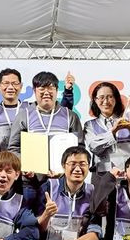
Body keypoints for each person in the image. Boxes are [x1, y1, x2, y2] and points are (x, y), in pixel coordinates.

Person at [8, 71, 85, 210]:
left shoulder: (70, 116)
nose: (46, 92)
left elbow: (80, 148)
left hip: (61, 181)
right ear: (34, 91)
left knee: (58, 219)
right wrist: (25, 166)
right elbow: (13, 147)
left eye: (50, 88)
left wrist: (65, 169)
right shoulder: (24, 115)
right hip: (30, 182)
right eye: (42, 88)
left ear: (56, 90)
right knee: (30, 219)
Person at [0, 68, 76, 150]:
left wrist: (68, 91)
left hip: (28, 156)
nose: (10, 87)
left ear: (21, 86)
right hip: (1, 158)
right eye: (6, 83)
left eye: (15, 83)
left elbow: (59, 112)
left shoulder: (30, 109)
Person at [84, 81, 130, 187]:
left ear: (116, 99)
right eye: (101, 97)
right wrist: (113, 132)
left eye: (110, 97)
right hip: (102, 177)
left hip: (127, 176)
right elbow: (94, 148)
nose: (106, 101)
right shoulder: (90, 125)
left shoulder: (128, 120)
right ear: (95, 100)